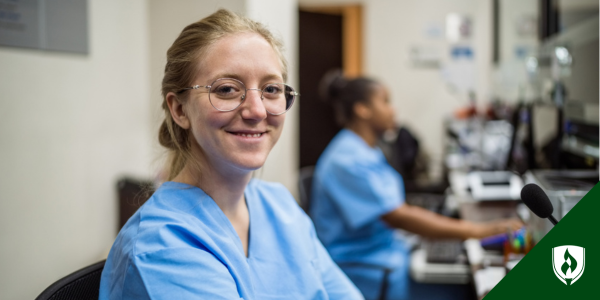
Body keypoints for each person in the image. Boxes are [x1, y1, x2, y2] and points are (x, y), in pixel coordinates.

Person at [99, 10, 363, 300]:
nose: (257, 110)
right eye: (226, 89)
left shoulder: (279, 206)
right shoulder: (162, 245)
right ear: (179, 109)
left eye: (271, 89)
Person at [310, 73, 523, 300]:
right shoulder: (347, 160)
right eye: (385, 102)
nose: (393, 110)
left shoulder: (364, 149)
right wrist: (478, 230)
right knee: (468, 290)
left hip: (384, 251)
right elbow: (399, 216)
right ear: (363, 109)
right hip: (366, 268)